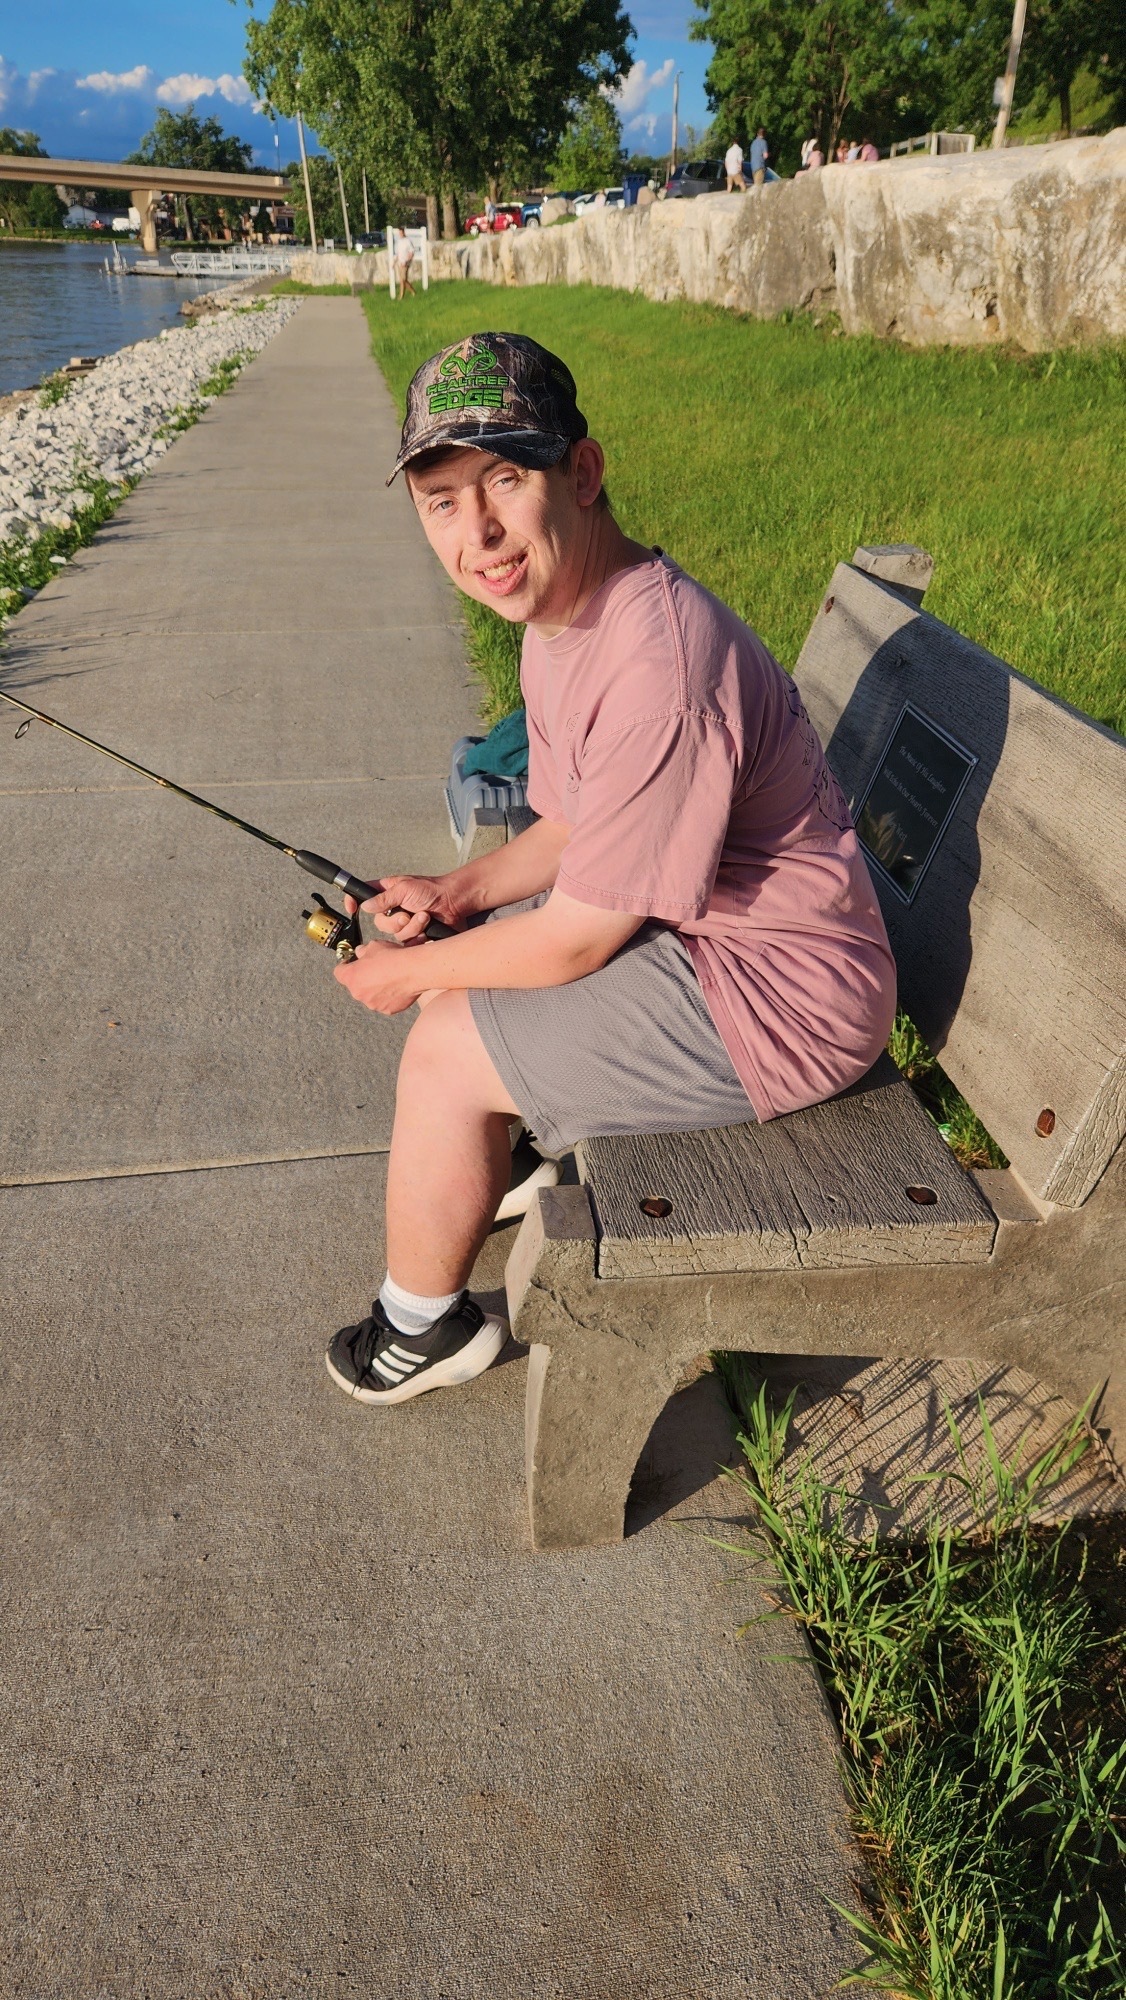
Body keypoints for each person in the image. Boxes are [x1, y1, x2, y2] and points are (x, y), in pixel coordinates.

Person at [322, 331, 898, 1409]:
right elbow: (578, 818)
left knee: (445, 1040)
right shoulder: (559, 607)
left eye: (505, 480)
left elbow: (579, 934)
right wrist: (456, 896)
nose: (477, 532)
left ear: (580, 475)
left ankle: (420, 1329)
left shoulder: (658, 664)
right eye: (441, 499)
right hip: (709, 944)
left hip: (785, 999)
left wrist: (406, 979)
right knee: (461, 959)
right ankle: (512, 1140)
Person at [394, 227, 416, 299]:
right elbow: (398, 253)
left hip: (405, 263)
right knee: (403, 280)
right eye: (399, 233)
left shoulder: (408, 241)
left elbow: (411, 252)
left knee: (403, 279)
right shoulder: (399, 241)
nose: (400, 234)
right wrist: (394, 262)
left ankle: (401, 295)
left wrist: (407, 261)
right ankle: (413, 291)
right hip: (399, 263)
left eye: (401, 232)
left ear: (404, 232)